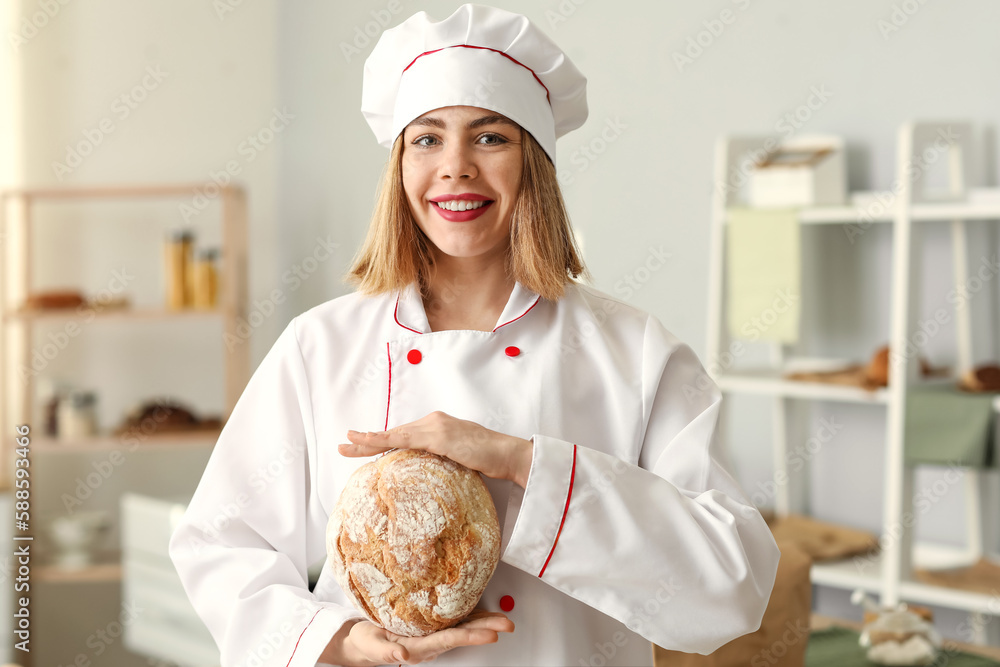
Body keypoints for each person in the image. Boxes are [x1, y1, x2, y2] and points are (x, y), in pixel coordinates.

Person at [168, 4, 780, 666]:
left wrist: (521, 464)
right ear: (400, 165)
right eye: (427, 139)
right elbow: (220, 544)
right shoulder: (321, 346)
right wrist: (337, 639)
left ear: (535, 164)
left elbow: (733, 584)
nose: (455, 166)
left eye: (490, 137)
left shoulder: (632, 352)